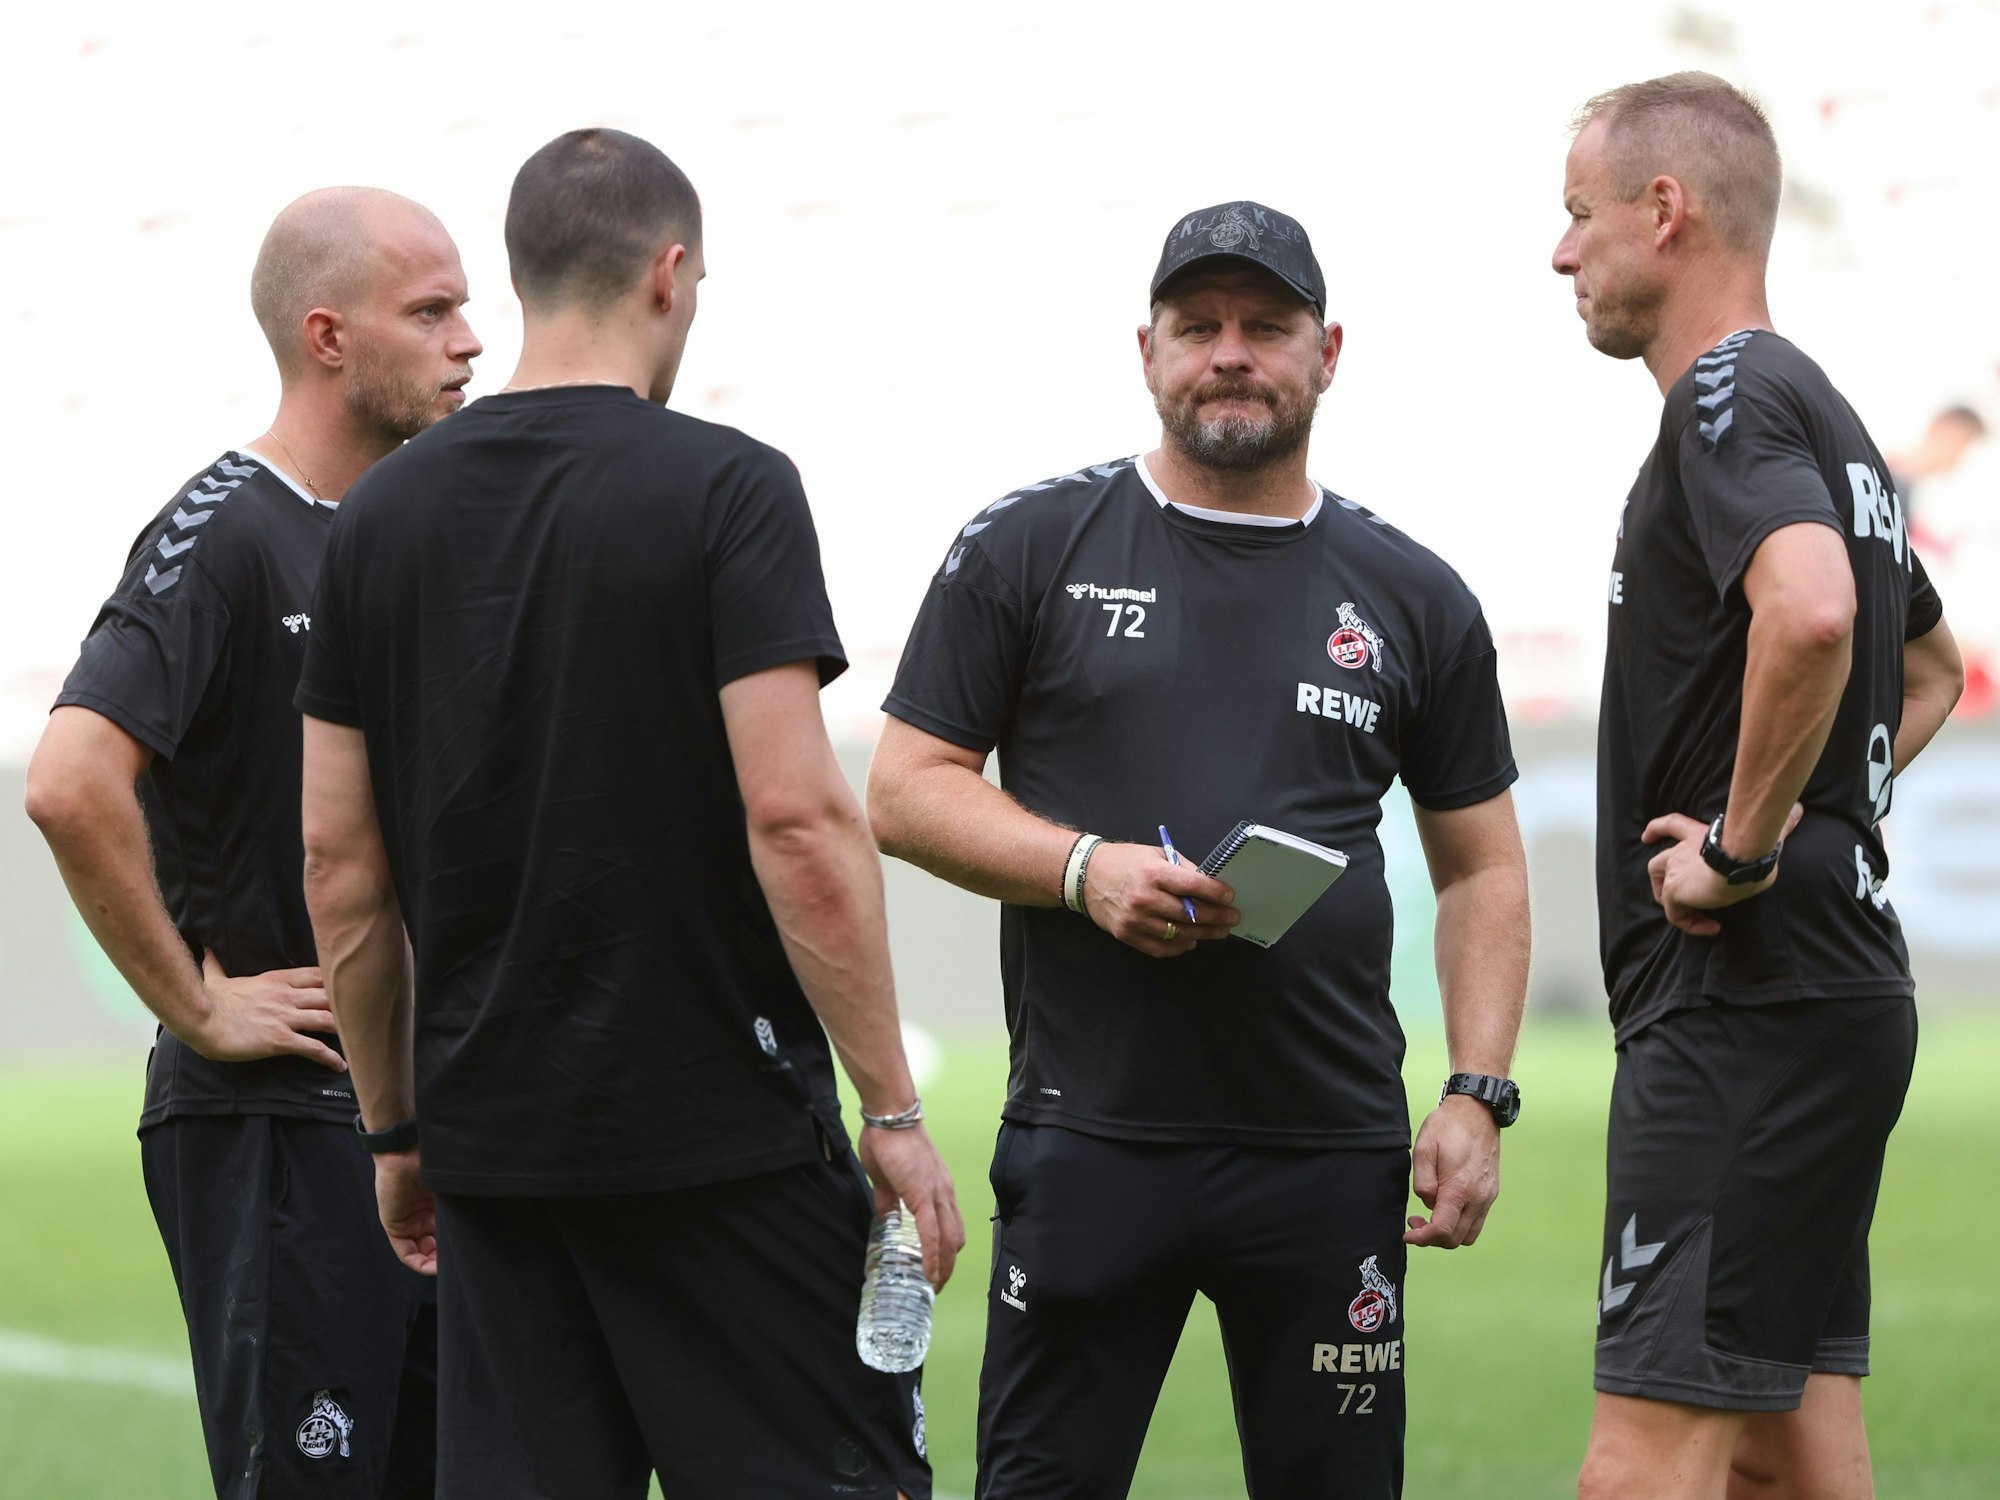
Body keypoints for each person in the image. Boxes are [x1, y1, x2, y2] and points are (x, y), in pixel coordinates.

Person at [293, 128, 963, 1500]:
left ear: (523, 282)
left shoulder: (373, 520)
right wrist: (890, 1104)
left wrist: (396, 1131)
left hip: (495, 1155)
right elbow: (797, 821)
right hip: (721, 1146)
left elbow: (340, 867)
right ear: (669, 276)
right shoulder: (730, 488)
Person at [868, 200, 1531, 1500]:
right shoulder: (1028, 546)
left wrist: (1476, 1092)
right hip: (1091, 1135)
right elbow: (903, 788)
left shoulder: (1414, 593)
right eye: (1199, 326)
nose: (1231, 353)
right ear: (1147, 349)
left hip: (1332, 1154)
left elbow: (1485, 869)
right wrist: (1083, 869)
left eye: (1266, 327)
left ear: (1327, 352)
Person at [23, 187, 480, 1498]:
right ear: (329, 337)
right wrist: (201, 1004)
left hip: (430, 1122)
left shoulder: (409, 535)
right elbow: (68, 781)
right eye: (433, 310)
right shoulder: (224, 528)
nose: (471, 342)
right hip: (280, 1120)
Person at [1551, 72, 1966, 1500]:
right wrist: (1807, 814)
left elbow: (1812, 617)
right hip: (1833, 991)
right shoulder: (1832, 419)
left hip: (1746, 1003)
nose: (1562, 255)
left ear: (1664, 213)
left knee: (1644, 1464)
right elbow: (1930, 670)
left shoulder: (1726, 394)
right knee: (1789, 1457)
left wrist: (1740, 844)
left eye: (1578, 217)